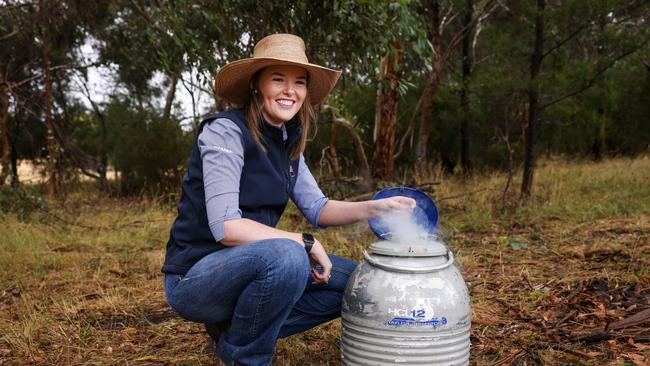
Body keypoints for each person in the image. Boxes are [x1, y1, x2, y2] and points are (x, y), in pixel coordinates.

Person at [162, 33, 415, 365]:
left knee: (362, 283)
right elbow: (226, 226)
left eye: (299, 82)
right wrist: (304, 242)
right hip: (195, 276)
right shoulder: (225, 132)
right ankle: (247, 357)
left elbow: (319, 208)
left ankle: (235, 333)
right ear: (257, 85)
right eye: (278, 79)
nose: (289, 90)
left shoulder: (288, 142)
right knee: (288, 256)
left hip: (251, 263)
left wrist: (377, 207)